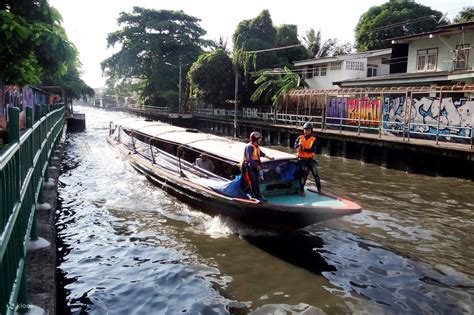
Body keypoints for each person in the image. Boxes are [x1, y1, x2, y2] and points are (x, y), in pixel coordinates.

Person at [241, 131, 274, 202]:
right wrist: (256, 166)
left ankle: (258, 196)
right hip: (251, 167)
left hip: (255, 167)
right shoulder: (250, 147)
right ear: (255, 139)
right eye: (259, 139)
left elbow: (261, 154)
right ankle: (255, 197)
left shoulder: (256, 147)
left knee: (256, 182)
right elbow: (249, 158)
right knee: (253, 182)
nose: (260, 140)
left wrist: (270, 158)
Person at [295, 122, 321, 196]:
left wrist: (303, 148)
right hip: (301, 159)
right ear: (303, 130)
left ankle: (319, 190)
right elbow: (295, 146)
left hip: (309, 159)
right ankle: (302, 191)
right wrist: (298, 146)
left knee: (316, 175)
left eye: (308, 130)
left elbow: (312, 150)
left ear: (311, 130)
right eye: (305, 130)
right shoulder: (300, 138)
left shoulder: (313, 139)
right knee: (302, 175)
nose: (307, 131)